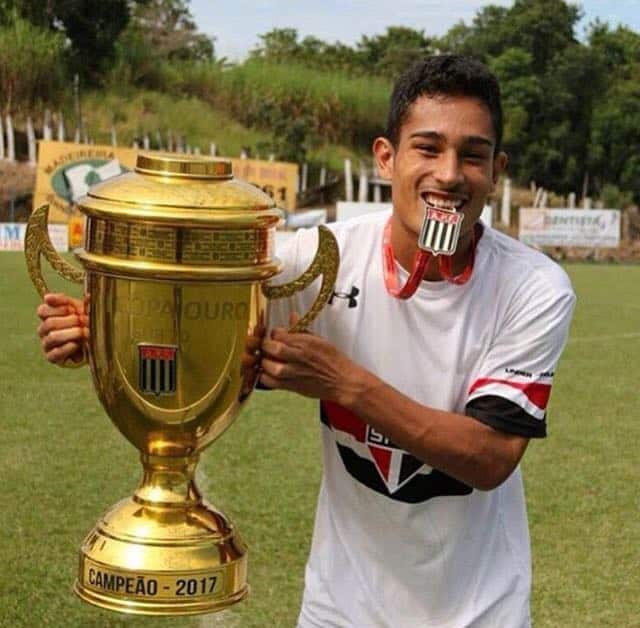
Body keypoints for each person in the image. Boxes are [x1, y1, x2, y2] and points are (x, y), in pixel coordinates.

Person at [38, 55, 575, 627]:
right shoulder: (318, 259)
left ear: (496, 171)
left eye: (473, 155)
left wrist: (346, 383)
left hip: (476, 611)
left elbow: (489, 458)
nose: (448, 173)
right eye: (427, 148)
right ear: (386, 159)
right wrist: (103, 334)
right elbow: (195, 335)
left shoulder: (533, 288)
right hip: (340, 606)